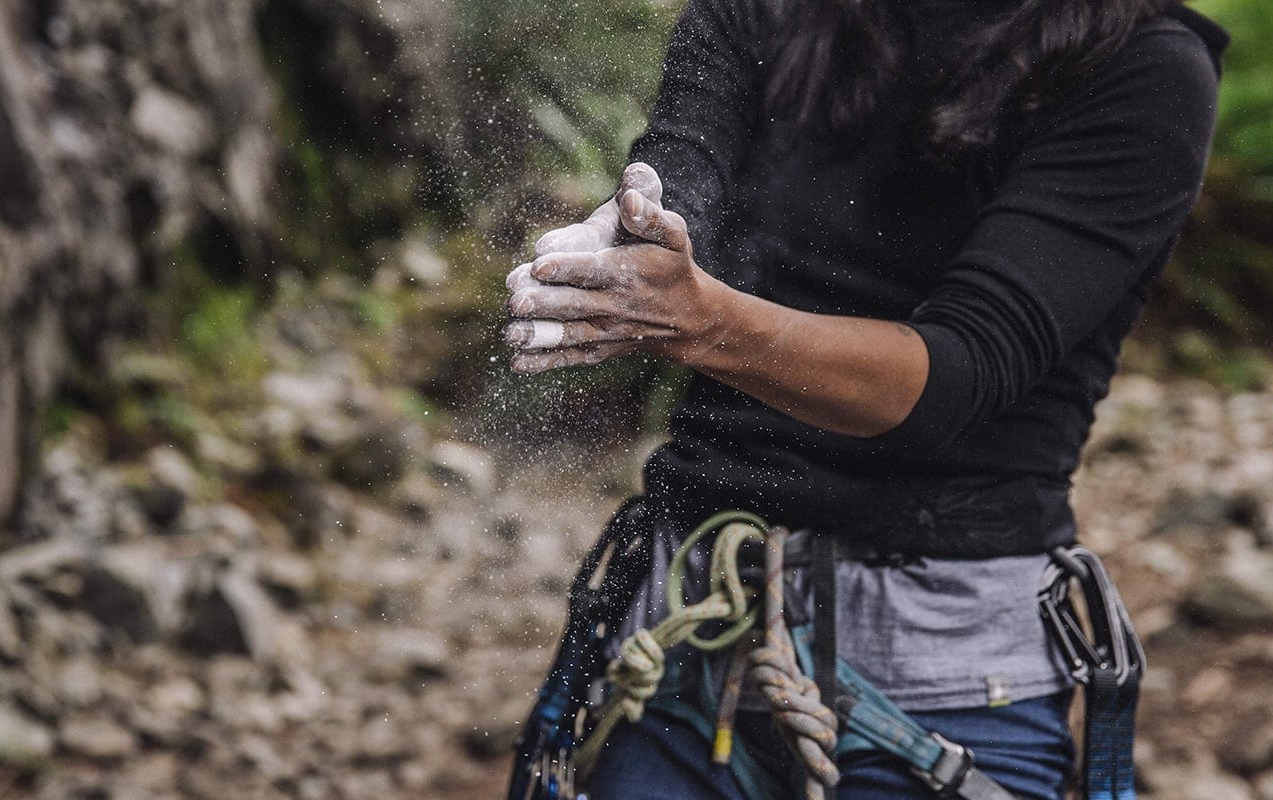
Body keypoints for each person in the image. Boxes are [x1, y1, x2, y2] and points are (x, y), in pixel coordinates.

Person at [503, 0, 1227, 798]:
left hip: (949, 687)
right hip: (686, 643)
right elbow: (681, 180)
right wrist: (636, 241)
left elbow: (958, 373)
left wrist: (699, 320)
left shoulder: (1143, 67)